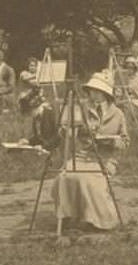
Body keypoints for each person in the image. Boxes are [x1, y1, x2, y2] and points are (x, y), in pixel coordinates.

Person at [50, 71, 122, 232]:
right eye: (92, 91)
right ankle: (68, 216)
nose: (94, 95)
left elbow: (125, 140)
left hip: (104, 158)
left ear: (106, 93)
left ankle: (99, 220)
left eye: (98, 91)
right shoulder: (82, 109)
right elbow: (70, 133)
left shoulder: (117, 114)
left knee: (88, 181)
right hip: (83, 156)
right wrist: (67, 130)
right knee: (64, 176)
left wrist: (112, 141)